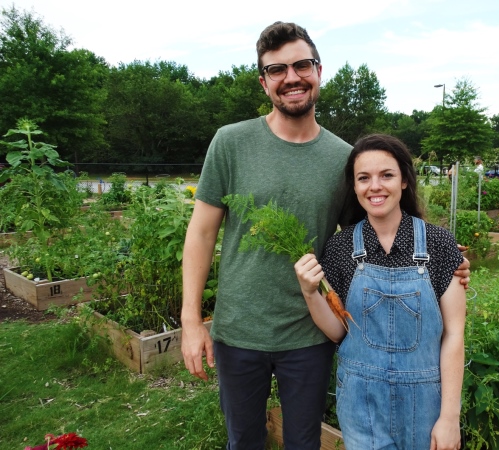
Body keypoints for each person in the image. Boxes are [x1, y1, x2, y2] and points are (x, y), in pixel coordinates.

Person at [181, 22, 470, 450]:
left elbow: (371, 231)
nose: (291, 77)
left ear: (319, 71)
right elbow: (202, 233)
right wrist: (191, 320)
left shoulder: (342, 157)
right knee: (243, 441)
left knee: (303, 441)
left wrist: (446, 264)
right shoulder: (231, 142)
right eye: (277, 70)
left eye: (301, 65)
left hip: (310, 334)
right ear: (264, 82)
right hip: (239, 329)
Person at [294, 134, 466, 450]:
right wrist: (310, 292)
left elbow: (454, 334)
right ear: (354, 186)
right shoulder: (341, 247)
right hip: (360, 402)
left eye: (386, 175)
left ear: (403, 180)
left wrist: (449, 418)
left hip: (424, 405)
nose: (375, 186)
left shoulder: (439, 245)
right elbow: (337, 332)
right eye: (364, 178)